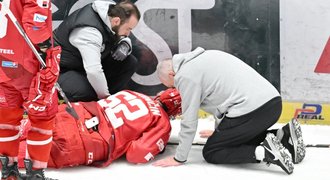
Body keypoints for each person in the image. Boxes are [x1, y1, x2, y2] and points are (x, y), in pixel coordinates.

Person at [154, 47, 306, 175]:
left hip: (252, 111)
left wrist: (179, 158)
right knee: (231, 140)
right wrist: (221, 132)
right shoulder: (206, 55)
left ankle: (265, 152)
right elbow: (223, 99)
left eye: (172, 85)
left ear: (172, 75)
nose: (175, 89)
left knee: (212, 151)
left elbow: (189, 121)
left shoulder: (185, 76)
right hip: (272, 104)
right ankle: (283, 137)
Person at [17, 88, 182, 168]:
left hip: (72, 111)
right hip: (81, 140)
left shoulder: (134, 92)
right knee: (9, 156)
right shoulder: (162, 122)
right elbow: (136, 155)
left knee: (10, 133)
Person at [0, 0, 61, 179]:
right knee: (43, 116)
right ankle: (35, 173)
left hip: (2, 61)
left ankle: (7, 171)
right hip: (25, 62)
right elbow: (34, 22)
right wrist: (45, 48)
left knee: (6, 117)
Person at [54, 0, 141, 102]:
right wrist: (106, 98)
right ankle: (100, 104)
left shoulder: (111, 13)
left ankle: (107, 101)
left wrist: (125, 43)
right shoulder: (89, 32)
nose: (128, 33)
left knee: (129, 62)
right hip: (63, 70)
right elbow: (93, 71)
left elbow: (113, 32)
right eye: (128, 29)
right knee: (87, 91)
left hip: (83, 64)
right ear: (116, 21)